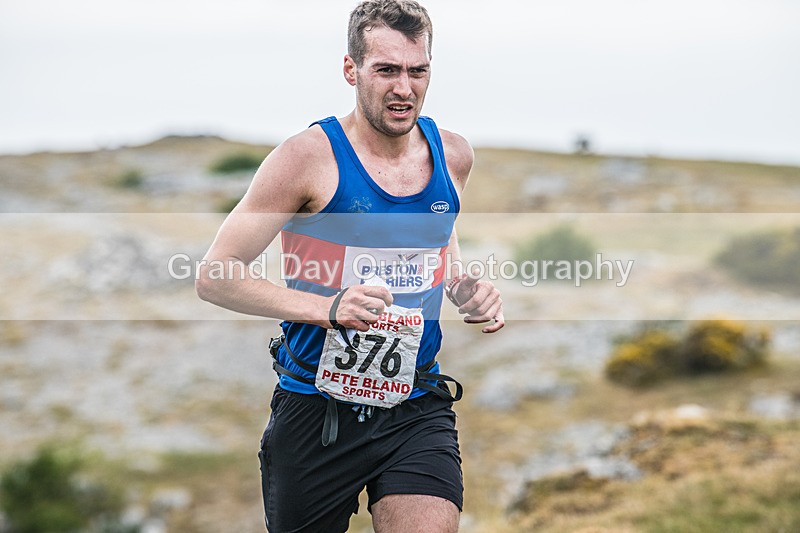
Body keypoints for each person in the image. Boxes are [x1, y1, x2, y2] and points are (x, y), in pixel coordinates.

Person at [196, 1, 504, 531]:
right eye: (386, 70)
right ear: (351, 69)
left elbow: (438, 234)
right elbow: (215, 275)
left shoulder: (453, 154)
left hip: (415, 401)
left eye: (417, 70)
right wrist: (327, 308)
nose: (403, 88)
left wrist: (459, 283)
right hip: (316, 409)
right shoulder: (305, 158)